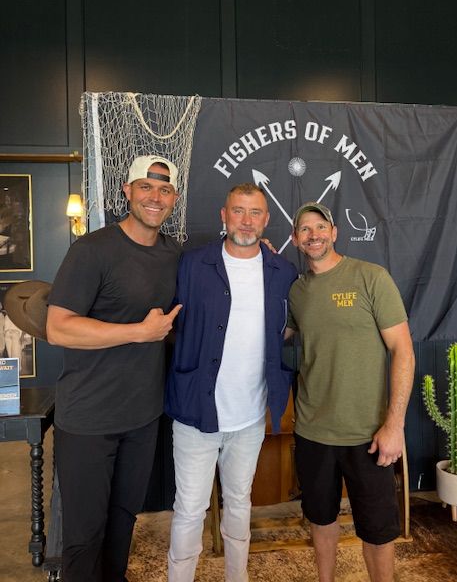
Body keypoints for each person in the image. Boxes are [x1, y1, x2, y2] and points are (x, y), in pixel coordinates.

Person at [46, 155, 183, 582]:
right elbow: (58, 327)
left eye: (164, 189)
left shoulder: (173, 253)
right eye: (146, 186)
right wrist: (138, 332)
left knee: (123, 520)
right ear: (127, 191)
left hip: (142, 416)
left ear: (174, 197)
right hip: (88, 419)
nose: (155, 197)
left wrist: (257, 252)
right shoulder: (91, 250)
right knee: (85, 534)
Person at [165, 183, 298, 582]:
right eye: (238, 211)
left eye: (255, 212)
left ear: (266, 219)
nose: (246, 221)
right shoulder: (192, 264)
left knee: (240, 503)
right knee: (190, 509)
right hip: (196, 412)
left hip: (250, 417)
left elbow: (288, 330)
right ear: (224, 216)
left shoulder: (282, 272)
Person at [286, 202, 415, 582]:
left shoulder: (370, 277)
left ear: (334, 232)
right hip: (313, 431)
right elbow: (271, 332)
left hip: (368, 434)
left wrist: (394, 425)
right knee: (321, 519)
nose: (313, 235)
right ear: (295, 239)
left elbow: (403, 350)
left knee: (377, 531)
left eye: (320, 227)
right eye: (304, 229)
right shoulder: (297, 291)